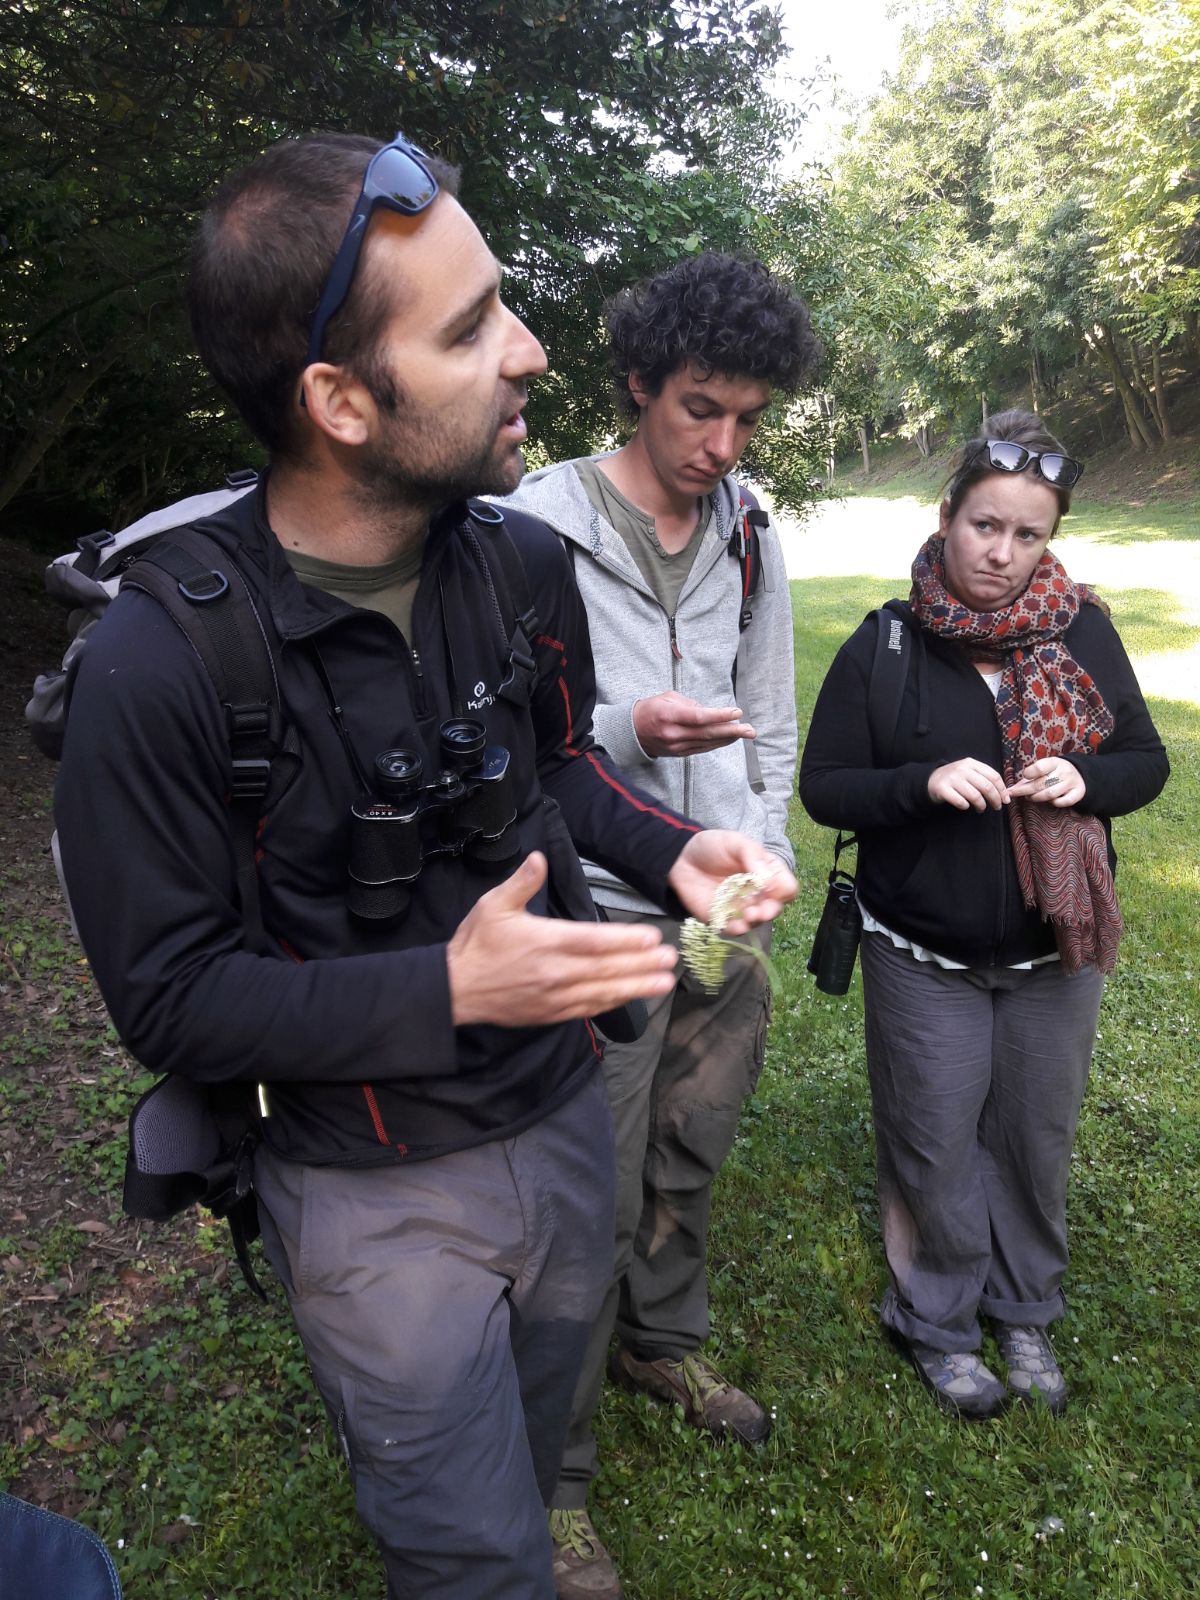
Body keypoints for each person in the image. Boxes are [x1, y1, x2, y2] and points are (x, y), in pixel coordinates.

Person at [53, 132, 797, 1598]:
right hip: (372, 1195)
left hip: (567, 1117)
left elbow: (562, 769)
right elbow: (170, 1000)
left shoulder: (517, 564)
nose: (526, 351)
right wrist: (449, 988)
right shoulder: (165, 661)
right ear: (337, 400)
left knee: (535, 1434)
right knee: (466, 1559)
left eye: (501, 303)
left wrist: (678, 844)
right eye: (468, 328)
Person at [508, 252, 819, 1596]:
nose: (724, 444)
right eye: (700, 408)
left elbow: (776, 710)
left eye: (748, 417)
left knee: (691, 1152)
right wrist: (632, 729)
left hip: (728, 916)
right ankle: (553, 1486)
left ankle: (664, 1339)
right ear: (637, 382)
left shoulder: (752, 528)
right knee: (588, 1196)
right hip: (601, 915)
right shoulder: (530, 525)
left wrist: (769, 853)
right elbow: (512, 744)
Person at [799, 411, 1169, 1420]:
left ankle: (1024, 1311)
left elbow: (1146, 762)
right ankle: (941, 1319)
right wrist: (919, 781)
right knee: (934, 1137)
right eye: (985, 526)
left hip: (1057, 949)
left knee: (1035, 1138)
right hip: (924, 949)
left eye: (1028, 533)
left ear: (1051, 539)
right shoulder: (886, 641)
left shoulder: (1081, 629)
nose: (1002, 553)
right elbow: (826, 786)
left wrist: (1083, 777)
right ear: (947, 516)